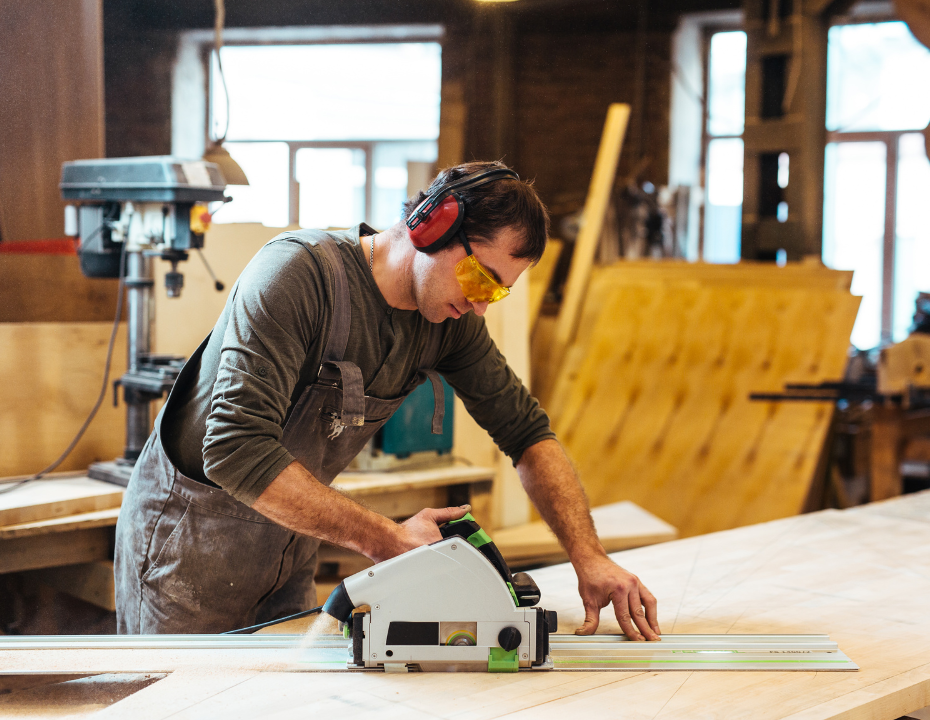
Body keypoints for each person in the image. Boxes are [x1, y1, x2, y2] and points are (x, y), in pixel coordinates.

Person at [115, 161, 661, 641]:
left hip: (291, 540)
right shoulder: (299, 276)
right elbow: (235, 449)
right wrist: (389, 540)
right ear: (431, 226)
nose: (479, 305)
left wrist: (588, 556)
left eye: (497, 292)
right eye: (480, 278)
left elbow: (526, 434)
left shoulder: (447, 322)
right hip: (186, 544)